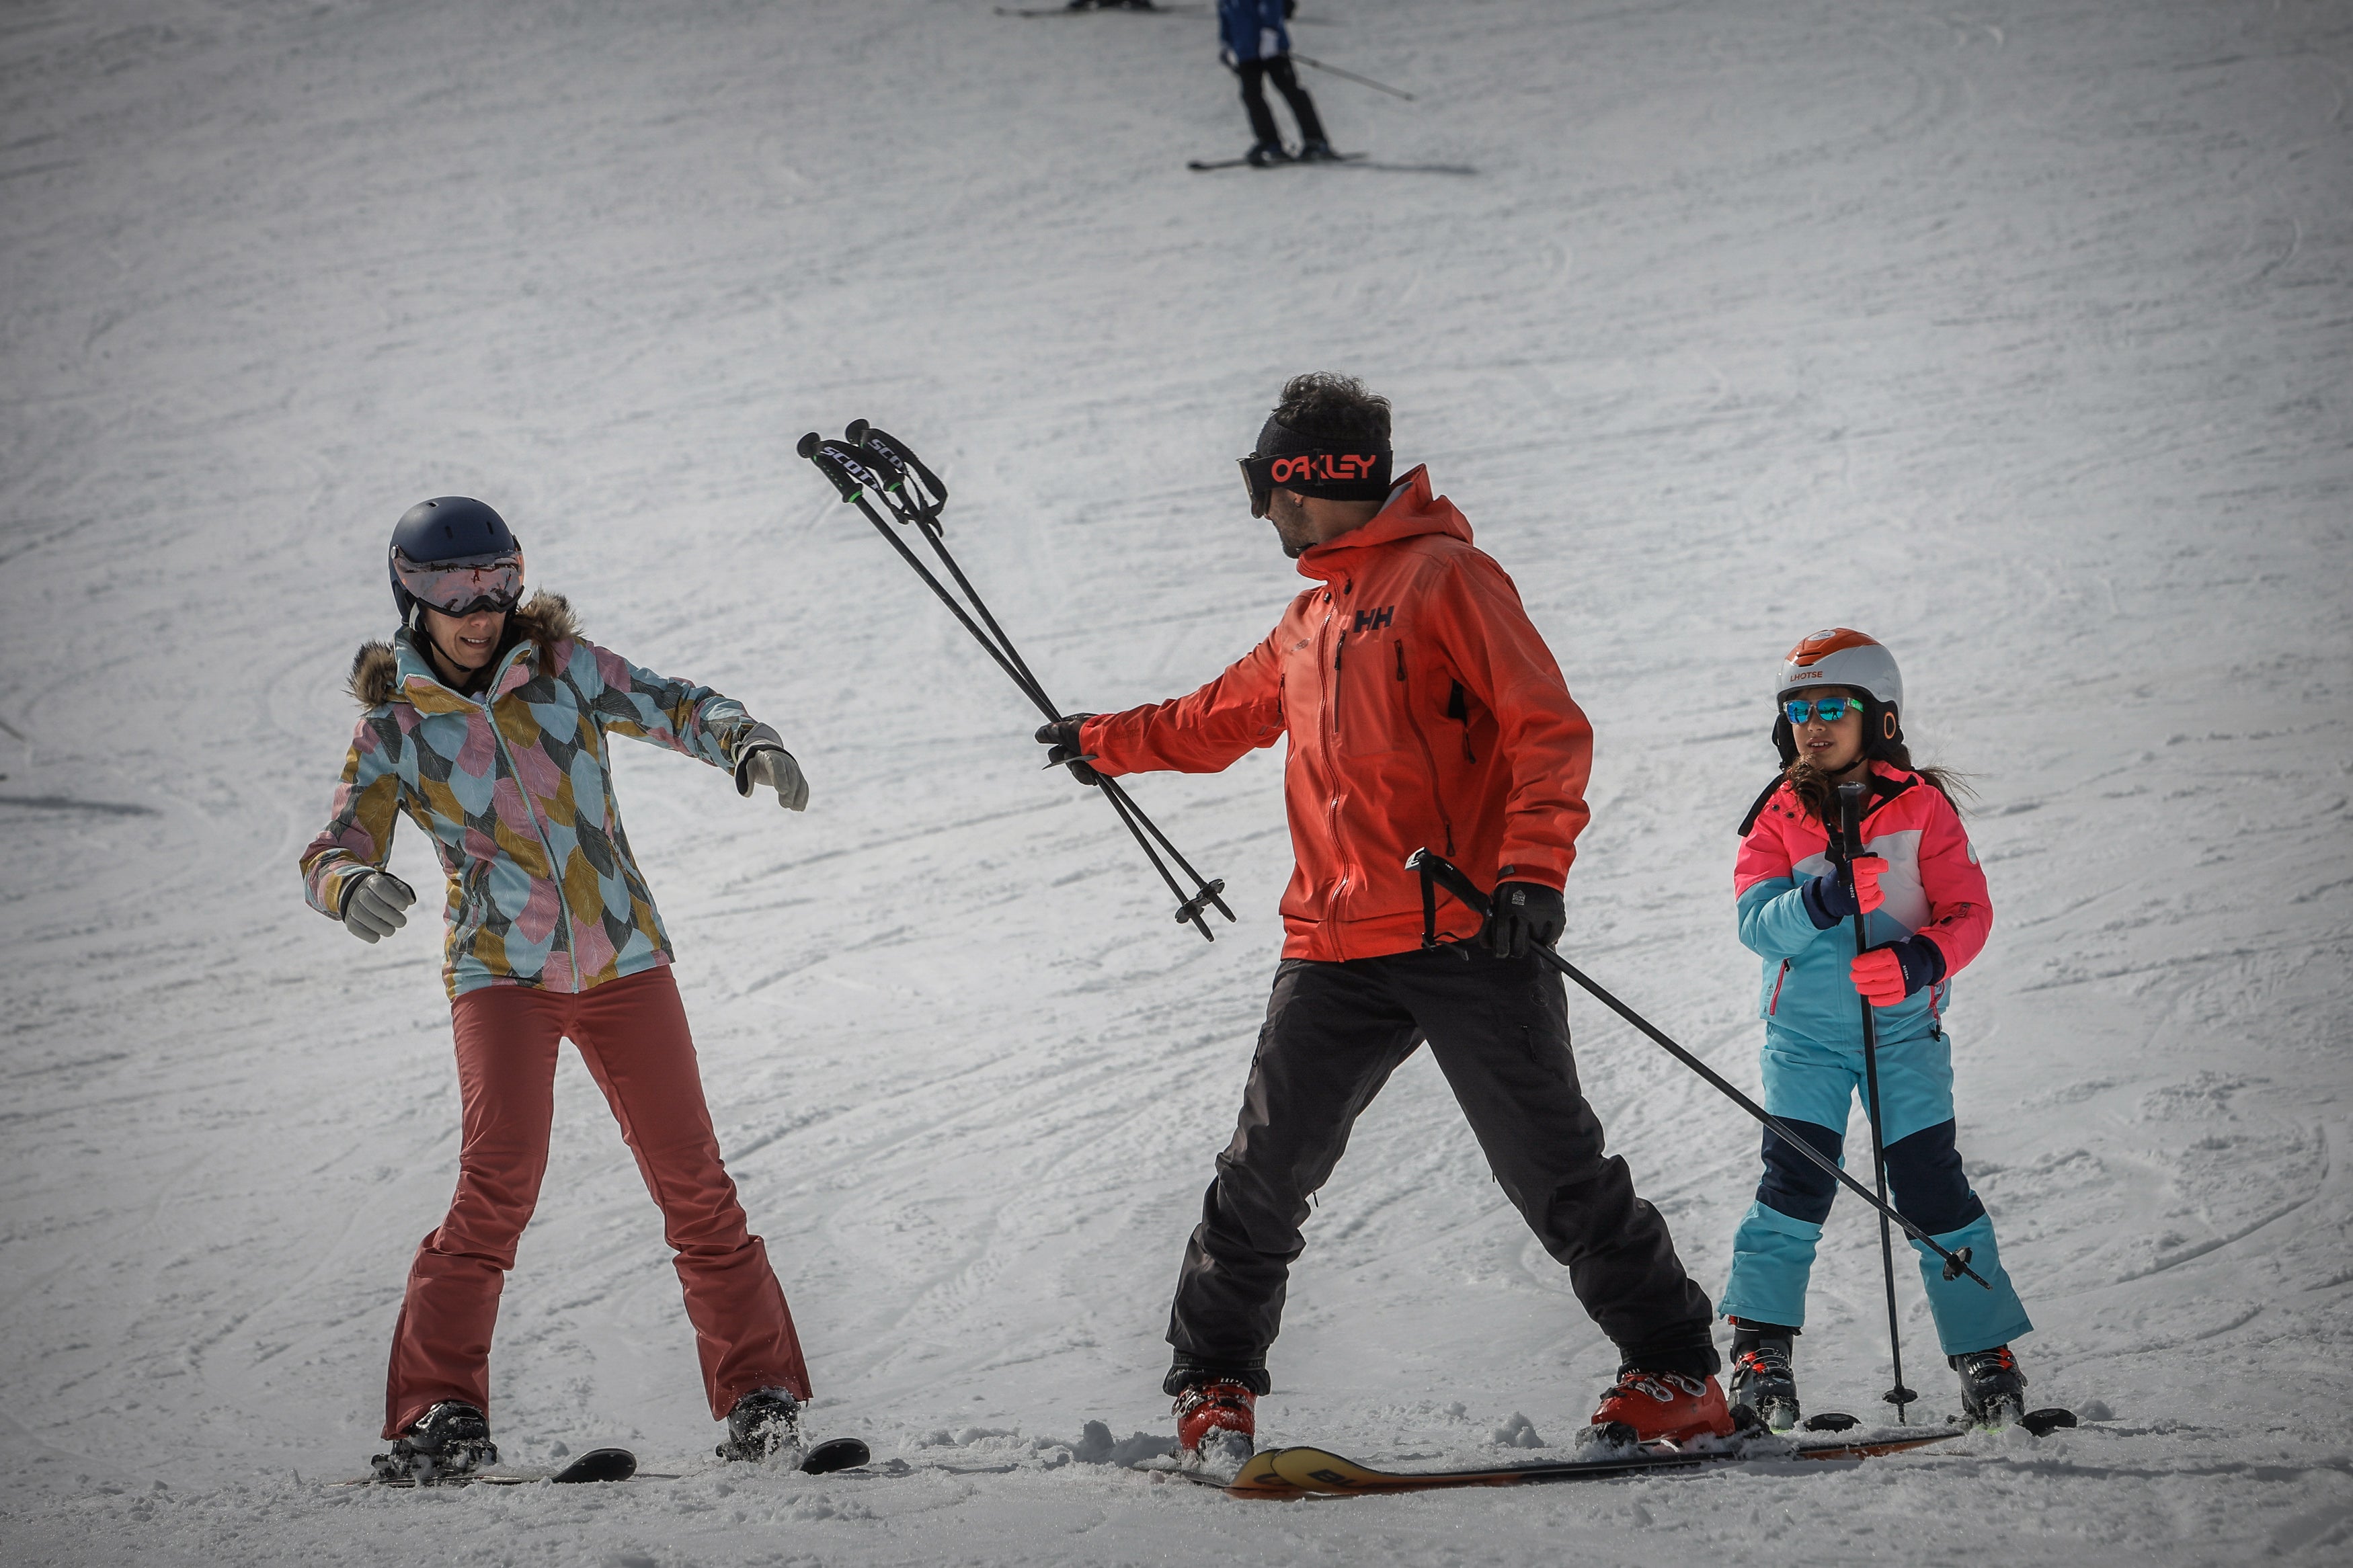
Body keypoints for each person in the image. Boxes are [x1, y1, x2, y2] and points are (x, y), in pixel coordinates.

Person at [1035, 374, 1729, 1469]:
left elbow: (1546, 729)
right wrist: (1106, 740)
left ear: (1310, 481)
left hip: (1466, 929)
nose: (1260, 511)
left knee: (1554, 1169)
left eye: (1264, 487)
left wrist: (1531, 875)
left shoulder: (1448, 580)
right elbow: (1221, 715)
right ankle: (1213, 1384)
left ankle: (1677, 1373)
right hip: (1333, 942)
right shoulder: (1311, 616)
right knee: (1262, 1171)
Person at [301, 497, 821, 1479]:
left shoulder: (567, 670)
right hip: (501, 971)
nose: (480, 607)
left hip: (625, 958)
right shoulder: (396, 727)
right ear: (411, 595)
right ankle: (437, 1411)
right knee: (496, 1184)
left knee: (695, 1184)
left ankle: (760, 1395)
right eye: (453, 589)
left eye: (498, 581)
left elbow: (673, 701)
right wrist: (351, 882)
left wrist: (744, 738)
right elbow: (335, 843)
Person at [1720, 629, 2035, 1429]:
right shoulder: (1776, 814)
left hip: (1901, 1037)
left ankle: (1983, 1348)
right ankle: (1761, 1349)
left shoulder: (1922, 809)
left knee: (1930, 1185)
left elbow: (1968, 910)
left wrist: (1920, 962)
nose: (1813, 725)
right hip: (1804, 1040)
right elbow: (1756, 924)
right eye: (1798, 710)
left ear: (1879, 718)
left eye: (1833, 708)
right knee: (1794, 1184)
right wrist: (1818, 900)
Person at [1218, 0, 1334, 166]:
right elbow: (1225, 14)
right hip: (1245, 51)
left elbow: (1272, 3)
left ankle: (1316, 140)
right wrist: (1226, 44)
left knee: (1290, 89)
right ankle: (1270, 142)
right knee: (1251, 95)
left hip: (1271, 47)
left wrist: (1270, 32)